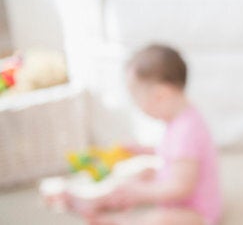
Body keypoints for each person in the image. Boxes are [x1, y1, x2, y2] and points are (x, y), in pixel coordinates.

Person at [79, 44, 222, 225]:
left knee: (160, 219)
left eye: (135, 97)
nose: (136, 105)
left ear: (160, 95)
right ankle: (98, 201)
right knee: (143, 174)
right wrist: (143, 150)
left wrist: (141, 193)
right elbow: (173, 152)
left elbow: (182, 187)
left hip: (196, 213)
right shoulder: (179, 118)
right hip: (176, 194)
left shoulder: (187, 130)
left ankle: (121, 222)